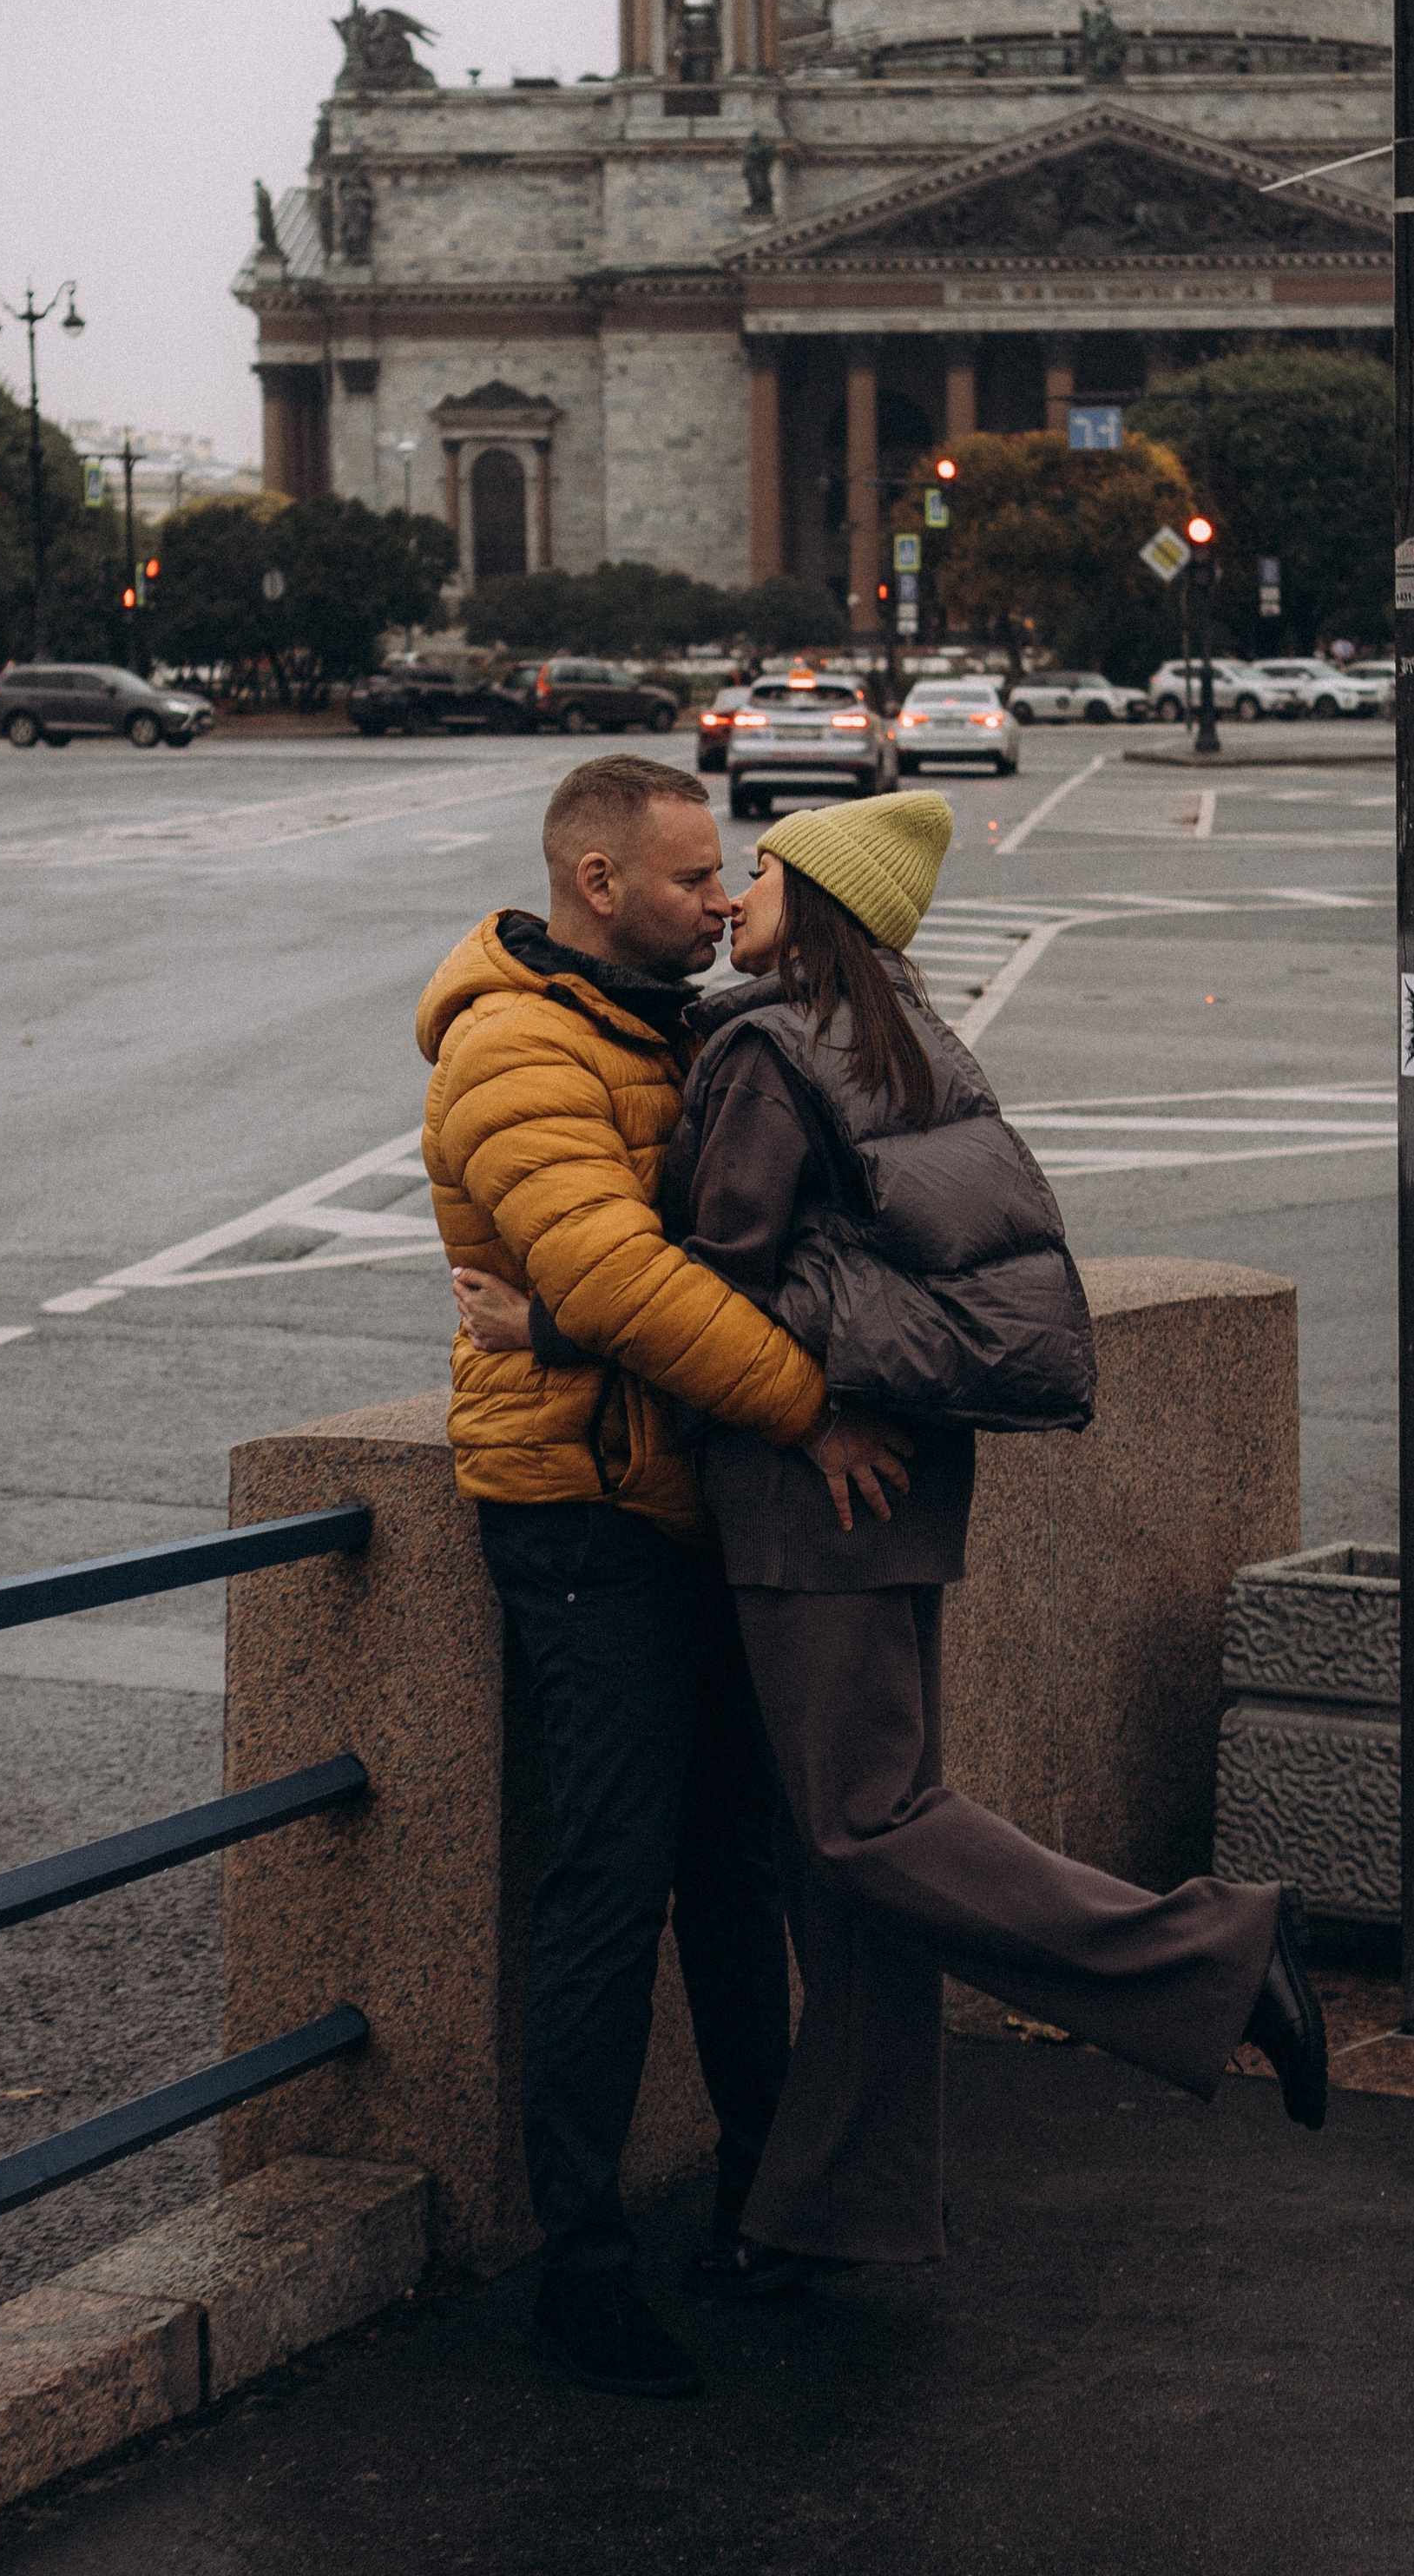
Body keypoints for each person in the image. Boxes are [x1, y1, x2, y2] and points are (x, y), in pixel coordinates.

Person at [459, 784, 1327, 2285]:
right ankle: (841, 2204)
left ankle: (1218, 1960)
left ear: (827, 903)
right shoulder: (912, 1041)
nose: (736, 897)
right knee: (838, 1859)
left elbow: (708, 1289)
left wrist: (550, 1321)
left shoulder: (757, 1052)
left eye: (763, 873)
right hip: (916, 1482)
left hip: (812, 1498)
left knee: (865, 1829)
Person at [418, 754, 909, 2396]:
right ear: (597, 881)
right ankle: (584, 2271)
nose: (723, 900)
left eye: (725, 877)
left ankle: (764, 2210)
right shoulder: (513, 1045)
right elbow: (623, 1282)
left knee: (740, 1871)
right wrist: (812, 1413)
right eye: (696, 880)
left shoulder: (672, 1024)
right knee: (613, 1889)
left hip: (686, 1497)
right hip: (581, 1517)